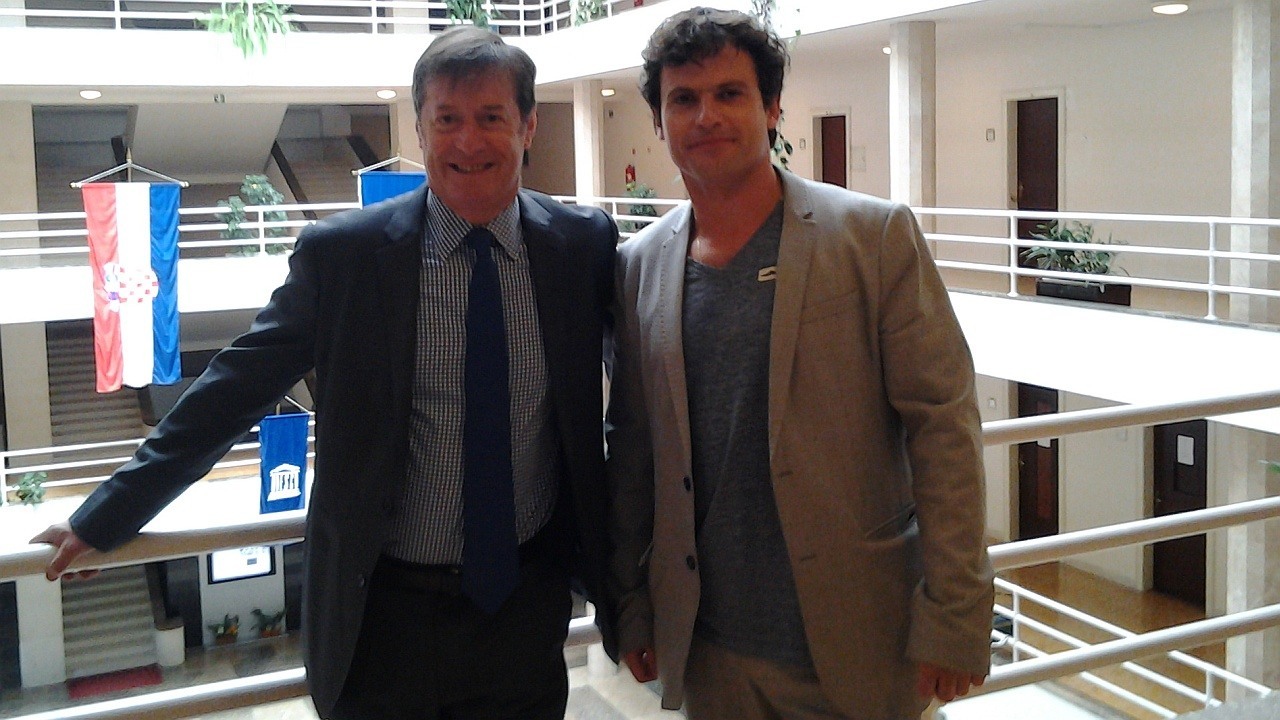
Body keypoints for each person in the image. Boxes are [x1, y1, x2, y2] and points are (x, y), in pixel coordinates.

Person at [32, 26, 618, 720]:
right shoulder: (347, 258)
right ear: (421, 130)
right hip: (383, 622)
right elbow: (236, 386)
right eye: (447, 120)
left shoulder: (581, 246)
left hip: (526, 614)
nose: (468, 141)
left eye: (491, 117)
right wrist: (109, 512)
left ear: (528, 125)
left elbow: (640, 395)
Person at [606, 7, 994, 719]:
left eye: (730, 93)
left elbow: (944, 430)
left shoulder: (873, 237)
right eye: (683, 99)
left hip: (861, 639)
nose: (706, 116)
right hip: (711, 654)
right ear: (659, 122)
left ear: (772, 107)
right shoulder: (638, 266)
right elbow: (632, 451)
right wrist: (631, 604)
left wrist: (957, 610)